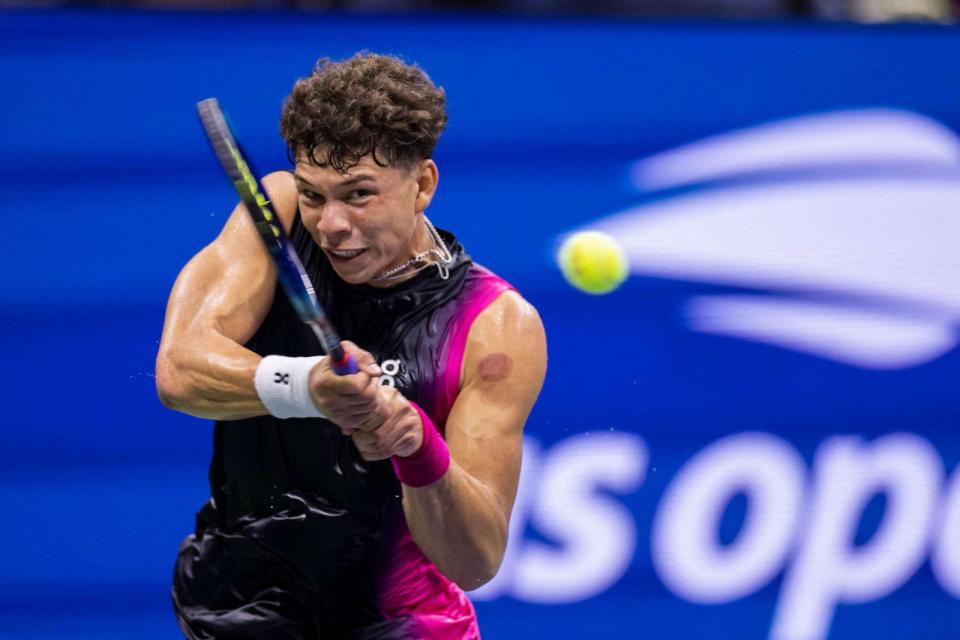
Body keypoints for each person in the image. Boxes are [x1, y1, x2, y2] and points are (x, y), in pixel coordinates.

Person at [155, 52, 547, 639]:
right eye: (315, 195)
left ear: (423, 185)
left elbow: (475, 560)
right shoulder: (277, 213)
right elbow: (180, 370)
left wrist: (416, 448)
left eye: (359, 193)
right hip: (237, 607)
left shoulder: (494, 325)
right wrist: (309, 386)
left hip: (399, 626)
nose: (331, 223)